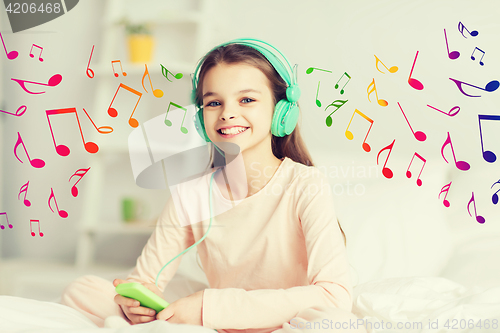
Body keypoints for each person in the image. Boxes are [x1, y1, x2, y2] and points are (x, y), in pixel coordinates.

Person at [61, 38, 366, 333]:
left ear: (281, 110)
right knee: (84, 290)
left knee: (339, 325)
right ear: (200, 119)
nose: (227, 113)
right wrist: (136, 304)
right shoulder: (191, 193)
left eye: (246, 99)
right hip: (216, 324)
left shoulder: (305, 184)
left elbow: (334, 295)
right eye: (214, 102)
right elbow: (145, 280)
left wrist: (210, 307)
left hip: (287, 323)